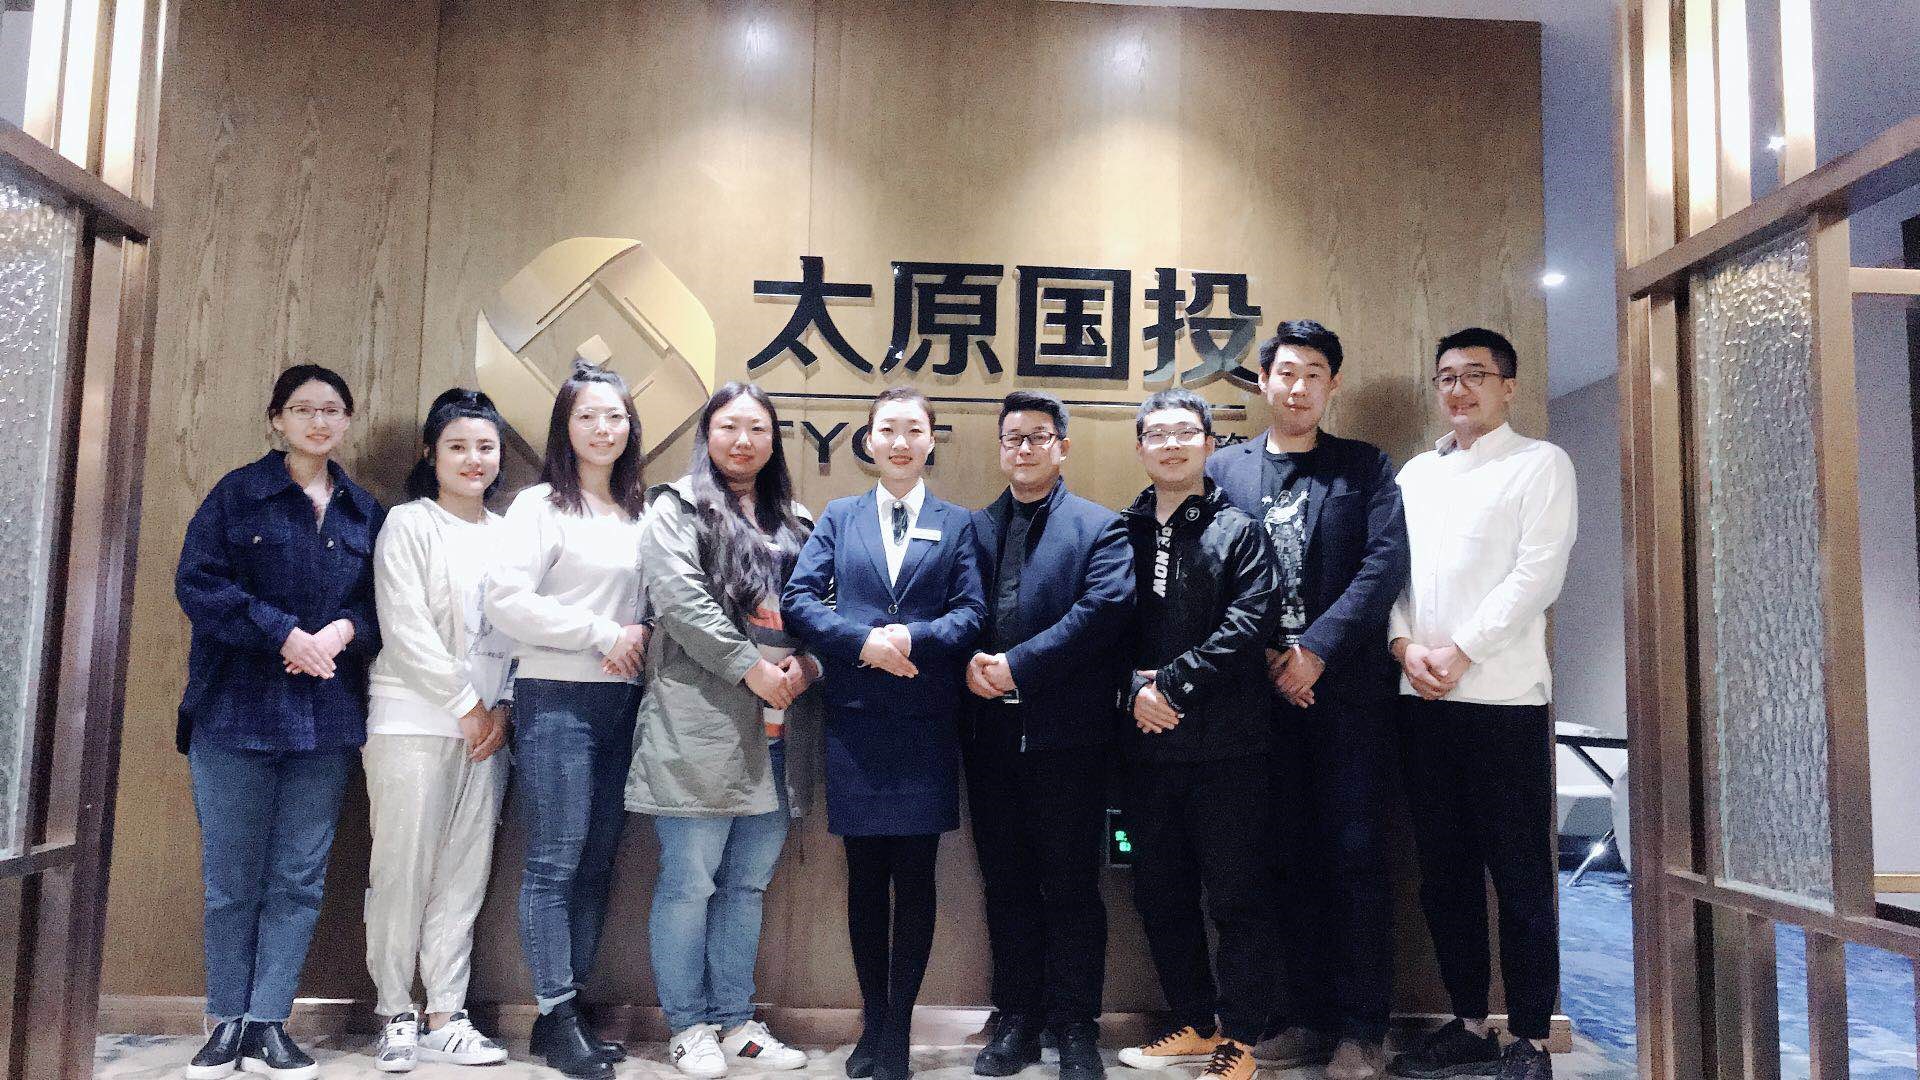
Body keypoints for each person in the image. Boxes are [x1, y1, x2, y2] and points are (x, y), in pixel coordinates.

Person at [1204, 322, 1408, 1080]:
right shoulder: (1223, 470)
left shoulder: (1364, 467)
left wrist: (1315, 649)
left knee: (1355, 858)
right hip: (1253, 702)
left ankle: (1361, 1029)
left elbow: (1383, 565)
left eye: (1313, 373)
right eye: (1285, 372)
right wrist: (1265, 651)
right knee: (1276, 860)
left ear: (1332, 384)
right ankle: (1298, 1016)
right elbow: (1208, 568)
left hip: (1346, 700)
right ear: (1264, 381)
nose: (1297, 387)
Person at [175, 364, 384, 1080]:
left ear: (347, 421)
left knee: (299, 880)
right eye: (302, 409)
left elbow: (381, 606)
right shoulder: (237, 495)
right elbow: (198, 584)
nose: (318, 421)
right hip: (234, 714)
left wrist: (342, 632)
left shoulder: (364, 512)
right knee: (232, 881)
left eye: (331, 409)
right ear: (277, 420)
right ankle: (225, 1022)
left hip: (325, 721)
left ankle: (269, 1022)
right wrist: (283, 633)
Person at [1385, 329, 1576, 1080]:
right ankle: (1467, 1023)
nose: (1458, 389)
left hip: (1503, 700)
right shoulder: (1416, 474)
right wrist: (1403, 645)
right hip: (1420, 698)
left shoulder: (1540, 464)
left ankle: (1529, 1038)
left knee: (1521, 875)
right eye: (1446, 377)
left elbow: (1538, 575)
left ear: (1508, 387)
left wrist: (1461, 649)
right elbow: (1391, 572)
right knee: (1445, 875)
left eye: (1474, 375)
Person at [783, 386, 986, 1080]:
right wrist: (862, 642)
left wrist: (912, 637)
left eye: (914, 430)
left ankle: (897, 1033)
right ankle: (874, 1020)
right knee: (865, 878)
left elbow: (971, 613)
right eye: (888, 430)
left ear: (931, 440)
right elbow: (799, 601)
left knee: (917, 878)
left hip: (926, 725)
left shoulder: (958, 524)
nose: (901, 442)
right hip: (857, 723)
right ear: (868, 440)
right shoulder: (840, 517)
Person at [627, 383, 822, 1078]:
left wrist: (809, 662)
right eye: (729, 427)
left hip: (782, 730)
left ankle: (736, 1021)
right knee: (689, 884)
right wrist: (750, 668)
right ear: (707, 435)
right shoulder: (675, 508)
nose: (744, 441)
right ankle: (688, 1027)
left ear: (774, 440)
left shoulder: (797, 519)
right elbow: (680, 601)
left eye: (758, 429)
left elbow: (823, 607)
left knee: (746, 886)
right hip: (701, 723)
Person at [486, 363, 651, 1080]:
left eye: (615, 417)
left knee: (597, 862)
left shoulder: (641, 510)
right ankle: (553, 1013)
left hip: (624, 702)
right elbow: (505, 602)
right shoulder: (539, 507)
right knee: (555, 860)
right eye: (588, 416)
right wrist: (599, 632)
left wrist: (636, 635)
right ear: (566, 427)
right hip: (555, 697)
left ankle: (569, 1009)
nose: (603, 429)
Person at [963, 391, 1134, 1080]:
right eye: (1013, 438)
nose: (1025, 448)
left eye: (1038, 436)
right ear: (1001, 449)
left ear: (1062, 446)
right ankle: (1018, 1020)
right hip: (989, 738)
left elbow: (1102, 613)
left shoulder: (1101, 527)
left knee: (1070, 887)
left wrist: (1018, 665)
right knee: (1005, 884)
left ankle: (1077, 1026)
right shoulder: (974, 528)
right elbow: (957, 613)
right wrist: (971, 664)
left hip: (1069, 739)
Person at [1114, 389, 1281, 1080]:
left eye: (1186, 432)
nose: (1172, 444)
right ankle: (1193, 1021)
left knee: (1238, 897)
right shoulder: (1119, 531)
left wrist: (1171, 685)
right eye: (1158, 433)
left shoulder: (1240, 530)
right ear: (1140, 447)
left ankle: (1241, 1039)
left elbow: (1249, 625)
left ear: (1210, 444)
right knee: (1160, 892)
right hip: (1146, 748)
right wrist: (1132, 691)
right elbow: (1099, 626)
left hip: (1229, 747)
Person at [363, 389, 514, 1072]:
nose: (472, 459)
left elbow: (521, 633)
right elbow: (405, 628)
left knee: (464, 875)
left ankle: (446, 1014)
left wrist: (501, 708)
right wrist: (466, 704)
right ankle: (396, 1011)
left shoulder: (509, 533)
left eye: (485, 446)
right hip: (411, 724)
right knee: (402, 871)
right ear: (431, 454)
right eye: (457, 446)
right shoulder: (409, 523)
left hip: (487, 733)